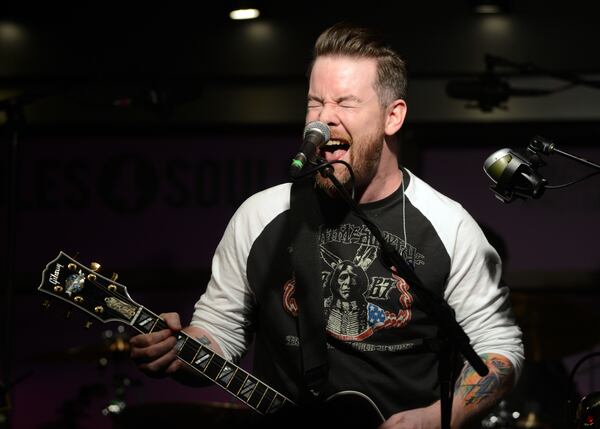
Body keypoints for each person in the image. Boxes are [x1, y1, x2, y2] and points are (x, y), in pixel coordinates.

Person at [129, 22, 524, 428]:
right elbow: (220, 331)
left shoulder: (449, 226)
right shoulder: (262, 215)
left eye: (345, 103)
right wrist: (178, 351)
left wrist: (441, 418)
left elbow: (499, 347)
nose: (322, 121)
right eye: (314, 103)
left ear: (393, 116)